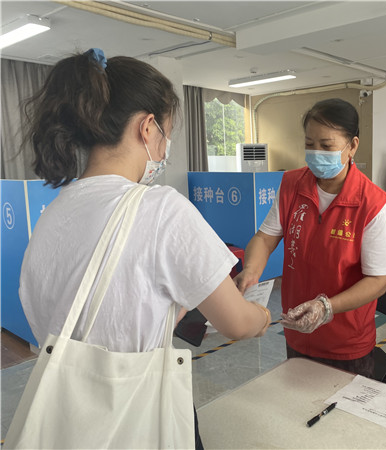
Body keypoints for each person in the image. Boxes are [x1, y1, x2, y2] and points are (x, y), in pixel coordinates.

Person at [18, 49, 271, 449]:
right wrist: (262, 315)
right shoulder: (159, 208)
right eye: (167, 134)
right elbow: (237, 324)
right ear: (147, 128)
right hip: (138, 416)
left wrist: (161, 312)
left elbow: (65, 316)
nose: (165, 149)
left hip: (67, 419)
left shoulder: (53, 213)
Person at [234, 98, 386, 378]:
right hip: (297, 329)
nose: (316, 152)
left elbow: (378, 280)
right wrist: (251, 270)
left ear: (352, 146)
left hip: (346, 342)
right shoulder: (292, 185)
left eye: (326, 145)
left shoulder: (370, 203)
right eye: (310, 144)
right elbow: (265, 238)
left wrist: (326, 307)